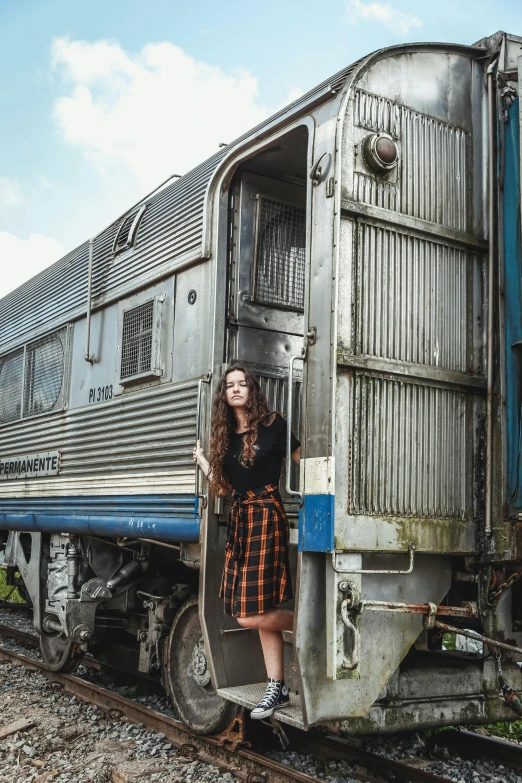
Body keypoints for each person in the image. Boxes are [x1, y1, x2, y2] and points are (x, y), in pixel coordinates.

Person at [193, 362, 300, 719]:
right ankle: (277, 686)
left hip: (267, 517)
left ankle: (311, 625)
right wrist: (205, 463)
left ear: (252, 390)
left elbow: (305, 460)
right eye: (230, 385)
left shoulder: (274, 425)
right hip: (242, 521)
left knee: (250, 614)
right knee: (256, 610)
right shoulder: (224, 438)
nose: (236, 389)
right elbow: (225, 489)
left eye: (242, 384)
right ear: (223, 395)